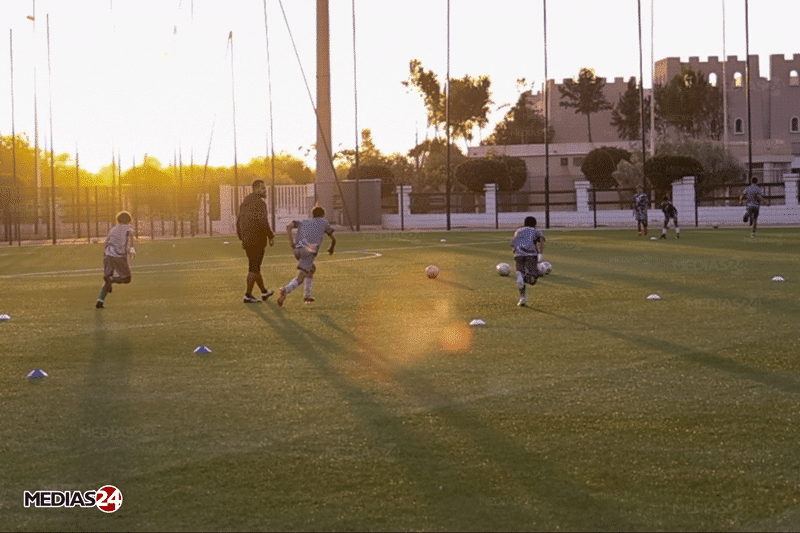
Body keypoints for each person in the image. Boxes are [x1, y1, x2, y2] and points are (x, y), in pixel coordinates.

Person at [276, 206, 336, 306]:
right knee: (300, 278)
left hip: (297, 250)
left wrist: (291, 242)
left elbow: (288, 227)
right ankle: (285, 290)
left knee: (311, 269)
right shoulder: (324, 222)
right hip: (308, 252)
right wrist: (332, 248)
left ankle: (307, 295)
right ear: (323, 215)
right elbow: (333, 238)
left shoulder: (304, 221)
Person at [236, 179, 275, 303]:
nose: (265, 191)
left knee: (255, 267)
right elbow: (262, 221)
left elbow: (238, 222)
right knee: (253, 268)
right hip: (257, 239)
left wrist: (242, 237)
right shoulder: (259, 203)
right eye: (263, 189)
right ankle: (248, 295)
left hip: (248, 239)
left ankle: (264, 292)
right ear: (256, 189)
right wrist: (270, 235)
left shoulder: (245, 203)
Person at [96, 211, 135, 309]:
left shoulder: (112, 229)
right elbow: (130, 236)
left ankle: (100, 301)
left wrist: (105, 256)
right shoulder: (128, 228)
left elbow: (106, 243)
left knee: (107, 280)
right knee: (126, 278)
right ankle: (112, 279)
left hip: (108, 255)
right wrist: (132, 249)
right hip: (118, 256)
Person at [510, 216, 545, 307]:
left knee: (520, 276)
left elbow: (513, 243)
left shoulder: (518, 231)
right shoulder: (535, 230)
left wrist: (516, 252)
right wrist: (540, 254)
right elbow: (541, 241)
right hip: (531, 255)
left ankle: (522, 296)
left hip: (518, 256)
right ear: (534, 224)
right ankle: (525, 278)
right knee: (533, 278)